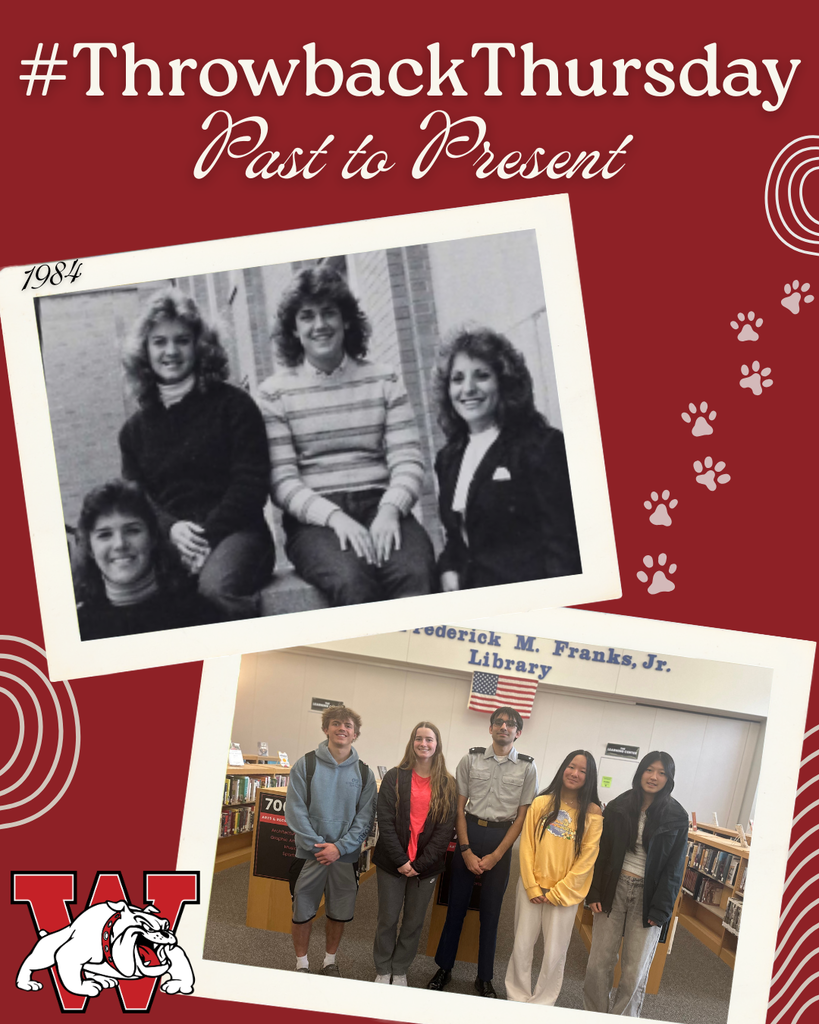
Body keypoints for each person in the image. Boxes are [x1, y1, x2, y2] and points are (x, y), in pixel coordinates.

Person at [257, 265, 436, 606]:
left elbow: (408, 460)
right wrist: (335, 518)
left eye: (329, 313)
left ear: (347, 320)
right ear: (294, 329)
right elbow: (281, 481)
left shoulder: (385, 380)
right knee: (352, 579)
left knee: (416, 572)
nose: (319, 325)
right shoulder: (274, 394)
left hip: (380, 503)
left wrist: (389, 510)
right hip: (315, 519)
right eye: (307, 316)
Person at [119, 288, 274, 619]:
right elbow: (138, 499)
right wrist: (171, 529)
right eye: (159, 341)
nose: (171, 351)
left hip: (238, 534)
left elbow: (251, 485)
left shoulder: (234, 406)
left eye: (182, 340)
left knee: (213, 593)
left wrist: (204, 537)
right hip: (171, 541)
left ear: (200, 345)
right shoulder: (132, 432)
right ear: (145, 351)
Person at [432, 326, 581, 590]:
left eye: (482, 376)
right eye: (457, 379)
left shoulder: (541, 447)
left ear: (504, 382)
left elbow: (563, 546)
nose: (468, 389)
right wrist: (448, 569)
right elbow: (457, 541)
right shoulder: (448, 459)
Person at [427, 706, 538, 997]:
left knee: (491, 913)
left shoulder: (527, 768)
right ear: (490, 728)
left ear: (518, 732)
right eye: (499, 722)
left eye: (510, 724)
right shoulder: (470, 759)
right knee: (456, 908)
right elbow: (459, 808)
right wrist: (464, 850)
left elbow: (522, 818)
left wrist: (497, 855)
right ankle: (444, 967)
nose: (504, 727)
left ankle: (484, 977)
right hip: (470, 833)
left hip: (502, 839)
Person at [583, 751, 689, 1017]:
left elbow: (674, 869)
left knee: (634, 970)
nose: (654, 777)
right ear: (640, 771)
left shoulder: (676, 816)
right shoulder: (619, 806)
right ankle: (594, 1016)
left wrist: (662, 909)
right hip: (613, 889)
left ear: (669, 778)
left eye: (662, 772)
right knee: (599, 964)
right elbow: (602, 853)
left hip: (649, 897)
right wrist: (594, 891)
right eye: (649, 770)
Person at [284, 705, 377, 978]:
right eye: (336, 723)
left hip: (344, 858)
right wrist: (320, 846)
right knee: (302, 912)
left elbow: (365, 819)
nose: (342, 729)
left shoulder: (364, 773)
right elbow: (295, 811)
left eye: (348, 726)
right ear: (326, 729)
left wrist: (339, 848)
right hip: (309, 855)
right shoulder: (306, 764)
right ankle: (301, 963)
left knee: (339, 913)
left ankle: (329, 961)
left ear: (355, 734)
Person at [505, 750, 603, 1005]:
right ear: (563, 769)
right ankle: (517, 997)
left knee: (555, 953)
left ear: (589, 777)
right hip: (532, 889)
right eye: (572, 766)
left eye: (583, 770)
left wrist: (559, 892)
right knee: (522, 946)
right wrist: (532, 886)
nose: (575, 773)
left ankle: (543, 1003)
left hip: (565, 895)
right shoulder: (542, 802)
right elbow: (526, 847)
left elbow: (587, 859)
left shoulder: (593, 812)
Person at [73, 479, 219, 639]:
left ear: (153, 538)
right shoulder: (78, 629)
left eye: (132, 531)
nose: (120, 544)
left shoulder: (199, 614)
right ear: (90, 549)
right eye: (105, 535)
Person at [372, 722, 457, 985]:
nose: (424, 744)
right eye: (419, 739)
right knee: (387, 918)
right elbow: (384, 822)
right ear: (412, 742)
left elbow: (445, 831)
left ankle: (400, 969)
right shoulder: (394, 777)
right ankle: (383, 967)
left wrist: (419, 864)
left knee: (413, 922)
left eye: (429, 739)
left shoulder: (447, 783)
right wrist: (401, 861)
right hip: (391, 862)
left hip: (426, 867)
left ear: (437, 745)